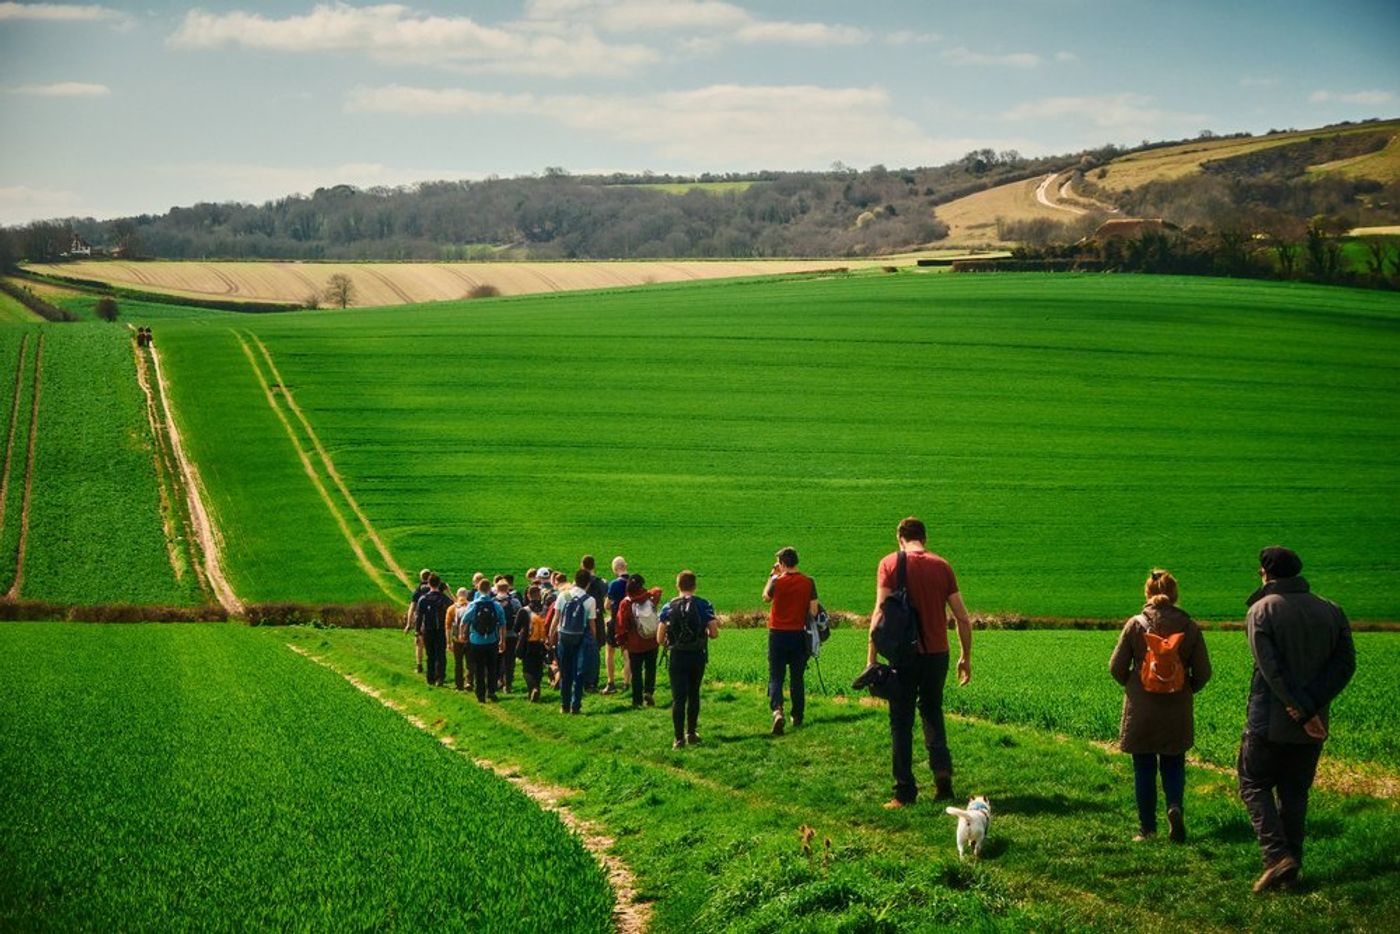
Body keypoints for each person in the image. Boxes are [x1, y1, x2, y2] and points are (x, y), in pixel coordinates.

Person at [1239, 546, 1355, 893]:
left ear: (1264, 573)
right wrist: (1312, 706)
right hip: (1314, 723)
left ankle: (1277, 858)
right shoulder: (1331, 610)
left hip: (1268, 719)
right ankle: (1292, 872)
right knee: (1295, 793)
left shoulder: (1261, 610)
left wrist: (1296, 706)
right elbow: (1345, 665)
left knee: (1253, 783)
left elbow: (1270, 668)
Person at [867, 517, 973, 807]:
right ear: (924, 538)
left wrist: (871, 660)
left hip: (904, 655)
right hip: (938, 654)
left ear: (900, 537)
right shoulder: (942, 566)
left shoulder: (889, 563)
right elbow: (962, 617)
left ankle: (904, 792)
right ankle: (942, 778)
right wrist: (966, 657)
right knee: (932, 711)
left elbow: (879, 614)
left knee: (900, 721)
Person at [1109, 569, 1212, 842]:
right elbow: (1204, 672)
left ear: (1147, 593)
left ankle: (1147, 829)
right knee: (1174, 762)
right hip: (1176, 709)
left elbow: (1116, 667)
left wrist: (1134, 686)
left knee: (1143, 767)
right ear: (1175, 594)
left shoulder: (1136, 624)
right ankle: (1174, 807)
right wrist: (1186, 688)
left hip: (1141, 710)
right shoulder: (1189, 627)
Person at [659, 570, 719, 749]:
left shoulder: (668, 606)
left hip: (677, 655)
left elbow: (659, 638)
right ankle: (691, 732)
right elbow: (714, 633)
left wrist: (671, 641)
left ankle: (678, 739)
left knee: (678, 698)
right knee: (694, 694)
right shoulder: (704, 604)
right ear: (694, 586)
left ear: (678, 585)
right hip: (697, 655)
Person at [762, 547, 819, 736]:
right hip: (798, 634)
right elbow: (813, 611)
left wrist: (772, 575)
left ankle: (778, 711)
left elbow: (765, 597)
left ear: (782, 564)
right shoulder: (808, 582)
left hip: (777, 634)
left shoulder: (777, 581)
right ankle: (797, 715)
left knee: (776, 675)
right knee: (797, 677)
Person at [547, 568, 597, 714]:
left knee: (565, 671)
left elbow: (556, 618)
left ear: (575, 580)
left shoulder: (564, 595)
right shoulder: (589, 600)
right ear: (587, 584)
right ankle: (576, 705)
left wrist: (551, 636)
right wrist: (593, 640)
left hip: (564, 636)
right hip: (580, 637)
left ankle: (564, 705)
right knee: (579, 672)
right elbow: (592, 624)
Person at [616, 575, 662, 708]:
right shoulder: (649, 597)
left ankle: (637, 700)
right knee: (650, 668)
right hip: (651, 640)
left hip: (634, 644)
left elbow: (621, 625)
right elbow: (658, 590)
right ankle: (648, 692)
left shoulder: (626, 603)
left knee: (636, 673)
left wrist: (622, 643)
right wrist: (647, 593)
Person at [465, 578, 506, 703]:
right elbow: (503, 624)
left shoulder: (473, 605)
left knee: (479, 668)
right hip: (492, 640)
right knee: (492, 667)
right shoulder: (496, 605)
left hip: (476, 641)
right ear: (489, 590)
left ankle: (480, 694)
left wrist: (463, 634)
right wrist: (502, 640)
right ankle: (491, 692)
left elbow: (464, 621)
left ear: (478, 588)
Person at [580, 555, 610, 692]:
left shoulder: (579, 580)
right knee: (596, 650)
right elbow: (607, 600)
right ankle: (593, 681)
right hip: (597, 618)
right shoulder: (601, 582)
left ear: (582, 565)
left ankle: (581, 679)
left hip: (581, 619)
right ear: (594, 566)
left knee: (581, 650)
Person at [417, 574, 452, 687]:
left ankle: (430, 677)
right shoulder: (444, 599)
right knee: (441, 654)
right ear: (439, 583)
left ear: (428, 583)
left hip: (428, 629)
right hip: (441, 629)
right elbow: (453, 606)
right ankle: (440, 677)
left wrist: (418, 631)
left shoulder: (423, 599)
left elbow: (419, 617)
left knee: (430, 654)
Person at [603, 555, 630, 695]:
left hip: (615, 622)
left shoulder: (614, 584)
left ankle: (611, 683)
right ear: (625, 566)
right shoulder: (634, 582)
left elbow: (607, 605)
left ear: (614, 569)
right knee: (627, 653)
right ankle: (627, 683)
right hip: (630, 623)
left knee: (610, 651)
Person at [519, 585, 550, 702]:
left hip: (528, 644)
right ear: (540, 595)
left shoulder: (524, 610)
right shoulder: (545, 609)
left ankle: (533, 688)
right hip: (542, 643)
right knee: (538, 668)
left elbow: (517, 627)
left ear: (528, 595)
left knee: (527, 669)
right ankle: (537, 689)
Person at [495, 577, 523, 693]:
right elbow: (521, 616)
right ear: (508, 589)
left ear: (496, 589)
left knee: (497, 660)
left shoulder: (493, 602)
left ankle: (498, 681)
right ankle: (508, 685)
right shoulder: (515, 601)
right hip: (511, 635)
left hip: (496, 636)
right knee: (509, 661)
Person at [405, 568, 432, 673]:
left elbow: (412, 607)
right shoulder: (434, 587)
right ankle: (432, 665)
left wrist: (408, 623)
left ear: (421, 577)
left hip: (420, 621)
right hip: (432, 621)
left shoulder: (418, 590)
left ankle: (419, 666)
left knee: (419, 644)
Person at [447, 586, 474, 692]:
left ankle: (459, 684)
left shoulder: (452, 609)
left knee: (458, 662)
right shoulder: (471, 607)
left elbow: (448, 627)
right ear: (467, 595)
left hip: (457, 639)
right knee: (470, 662)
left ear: (457, 596)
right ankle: (469, 682)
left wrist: (448, 642)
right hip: (470, 639)